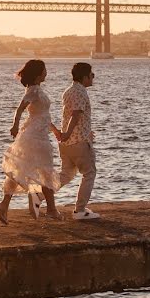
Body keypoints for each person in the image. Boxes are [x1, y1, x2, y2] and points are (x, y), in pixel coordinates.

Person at [0, 59, 63, 225]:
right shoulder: (33, 90)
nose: (47, 72)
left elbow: (44, 116)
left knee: (25, 170)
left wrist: (55, 131)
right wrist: (15, 126)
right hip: (34, 136)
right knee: (45, 170)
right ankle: (52, 210)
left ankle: (4, 204)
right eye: (45, 70)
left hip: (39, 134)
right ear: (39, 73)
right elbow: (20, 109)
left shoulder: (37, 90)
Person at [59, 62, 100, 220]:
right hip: (78, 141)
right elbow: (75, 115)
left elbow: (72, 115)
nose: (93, 77)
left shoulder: (69, 91)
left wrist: (68, 135)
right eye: (91, 75)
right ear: (84, 77)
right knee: (89, 173)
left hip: (66, 143)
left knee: (66, 174)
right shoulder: (80, 92)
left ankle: (40, 195)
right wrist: (69, 133)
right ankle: (80, 210)